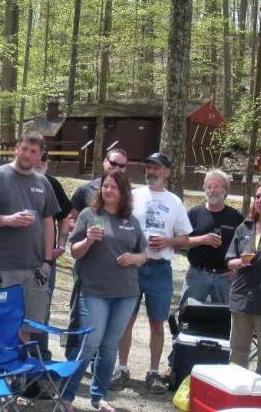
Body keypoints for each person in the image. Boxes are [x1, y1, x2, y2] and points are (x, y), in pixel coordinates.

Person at [60, 171, 146, 412]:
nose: (108, 190)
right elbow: (75, 252)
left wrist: (133, 257)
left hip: (126, 292)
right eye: (105, 186)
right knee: (90, 343)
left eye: (113, 187)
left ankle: (98, 397)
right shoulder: (89, 215)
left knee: (109, 347)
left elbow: (143, 255)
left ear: (123, 193)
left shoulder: (131, 220)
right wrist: (87, 240)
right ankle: (66, 395)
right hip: (94, 291)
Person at [110, 152, 192, 394]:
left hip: (159, 269)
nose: (151, 172)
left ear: (167, 172)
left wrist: (168, 241)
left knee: (158, 323)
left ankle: (154, 372)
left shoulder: (175, 201)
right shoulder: (133, 196)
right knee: (126, 320)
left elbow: (185, 237)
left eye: (157, 168)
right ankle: (122, 368)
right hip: (133, 267)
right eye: (148, 167)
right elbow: (118, 224)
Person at [0, 130, 60, 343]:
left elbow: (48, 222)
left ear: (40, 156)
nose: (27, 155)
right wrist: (7, 220)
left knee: (27, 328)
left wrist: (47, 261)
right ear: (16, 148)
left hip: (34, 269)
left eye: (33, 151)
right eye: (24, 149)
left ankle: (18, 375)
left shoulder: (43, 183)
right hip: (1, 267)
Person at [65, 148, 128, 358]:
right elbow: (69, 218)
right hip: (87, 265)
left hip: (113, 271)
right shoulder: (85, 190)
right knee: (78, 313)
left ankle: (96, 362)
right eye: (113, 163)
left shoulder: (128, 195)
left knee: (106, 321)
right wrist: (84, 229)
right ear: (104, 163)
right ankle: (72, 358)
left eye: (122, 165)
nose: (117, 168)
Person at [226, 180, 261, 377]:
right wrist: (240, 262)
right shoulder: (243, 228)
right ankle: (237, 396)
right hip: (241, 297)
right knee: (238, 350)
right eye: (258, 197)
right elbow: (229, 261)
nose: (259, 201)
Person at [178, 169, 243, 307]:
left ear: (225, 190)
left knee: (225, 319)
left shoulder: (235, 216)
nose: (212, 190)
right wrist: (203, 239)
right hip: (197, 274)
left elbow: (244, 246)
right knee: (187, 315)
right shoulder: (195, 213)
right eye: (208, 186)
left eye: (216, 186)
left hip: (225, 277)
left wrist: (237, 271)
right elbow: (181, 243)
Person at [31, 149, 73, 360]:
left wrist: (61, 246)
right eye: (36, 155)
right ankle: (11, 359)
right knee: (12, 308)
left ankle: (40, 357)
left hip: (45, 260)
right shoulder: (11, 180)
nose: (40, 161)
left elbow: (65, 217)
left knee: (41, 309)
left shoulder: (52, 184)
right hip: (14, 259)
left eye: (44, 157)